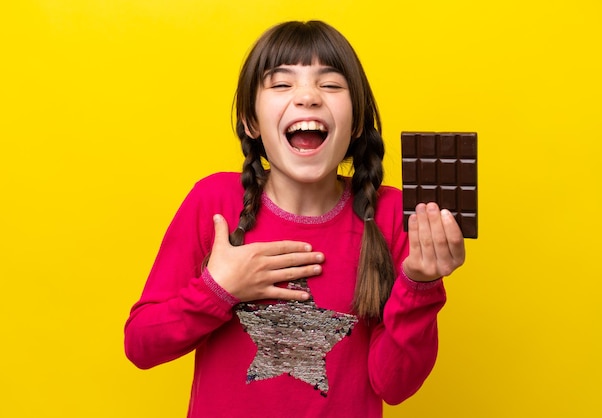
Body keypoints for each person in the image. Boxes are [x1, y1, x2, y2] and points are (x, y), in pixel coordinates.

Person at [124, 20, 465, 418]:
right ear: (251, 121)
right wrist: (219, 289)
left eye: (331, 85)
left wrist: (419, 285)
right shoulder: (214, 202)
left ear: (355, 123)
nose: (308, 97)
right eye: (282, 84)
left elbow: (394, 384)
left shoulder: (390, 216)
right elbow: (141, 346)